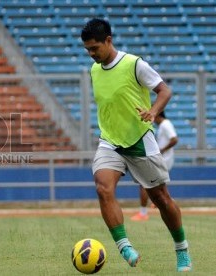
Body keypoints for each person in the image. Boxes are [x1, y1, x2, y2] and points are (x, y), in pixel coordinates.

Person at [80, 18, 192, 272]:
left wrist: (153, 112)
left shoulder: (134, 64)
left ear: (109, 40)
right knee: (103, 187)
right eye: (87, 50)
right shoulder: (94, 70)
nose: (91, 54)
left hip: (140, 141)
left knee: (161, 199)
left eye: (95, 48)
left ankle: (182, 248)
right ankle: (124, 246)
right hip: (110, 141)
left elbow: (165, 90)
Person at [131, 111, 179, 221]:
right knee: (157, 186)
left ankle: (143, 213)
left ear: (157, 115)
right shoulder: (163, 125)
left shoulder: (166, 124)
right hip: (162, 159)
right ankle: (158, 204)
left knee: (144, 183)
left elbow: (174, 139)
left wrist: (161, 150)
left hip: (162, 159)